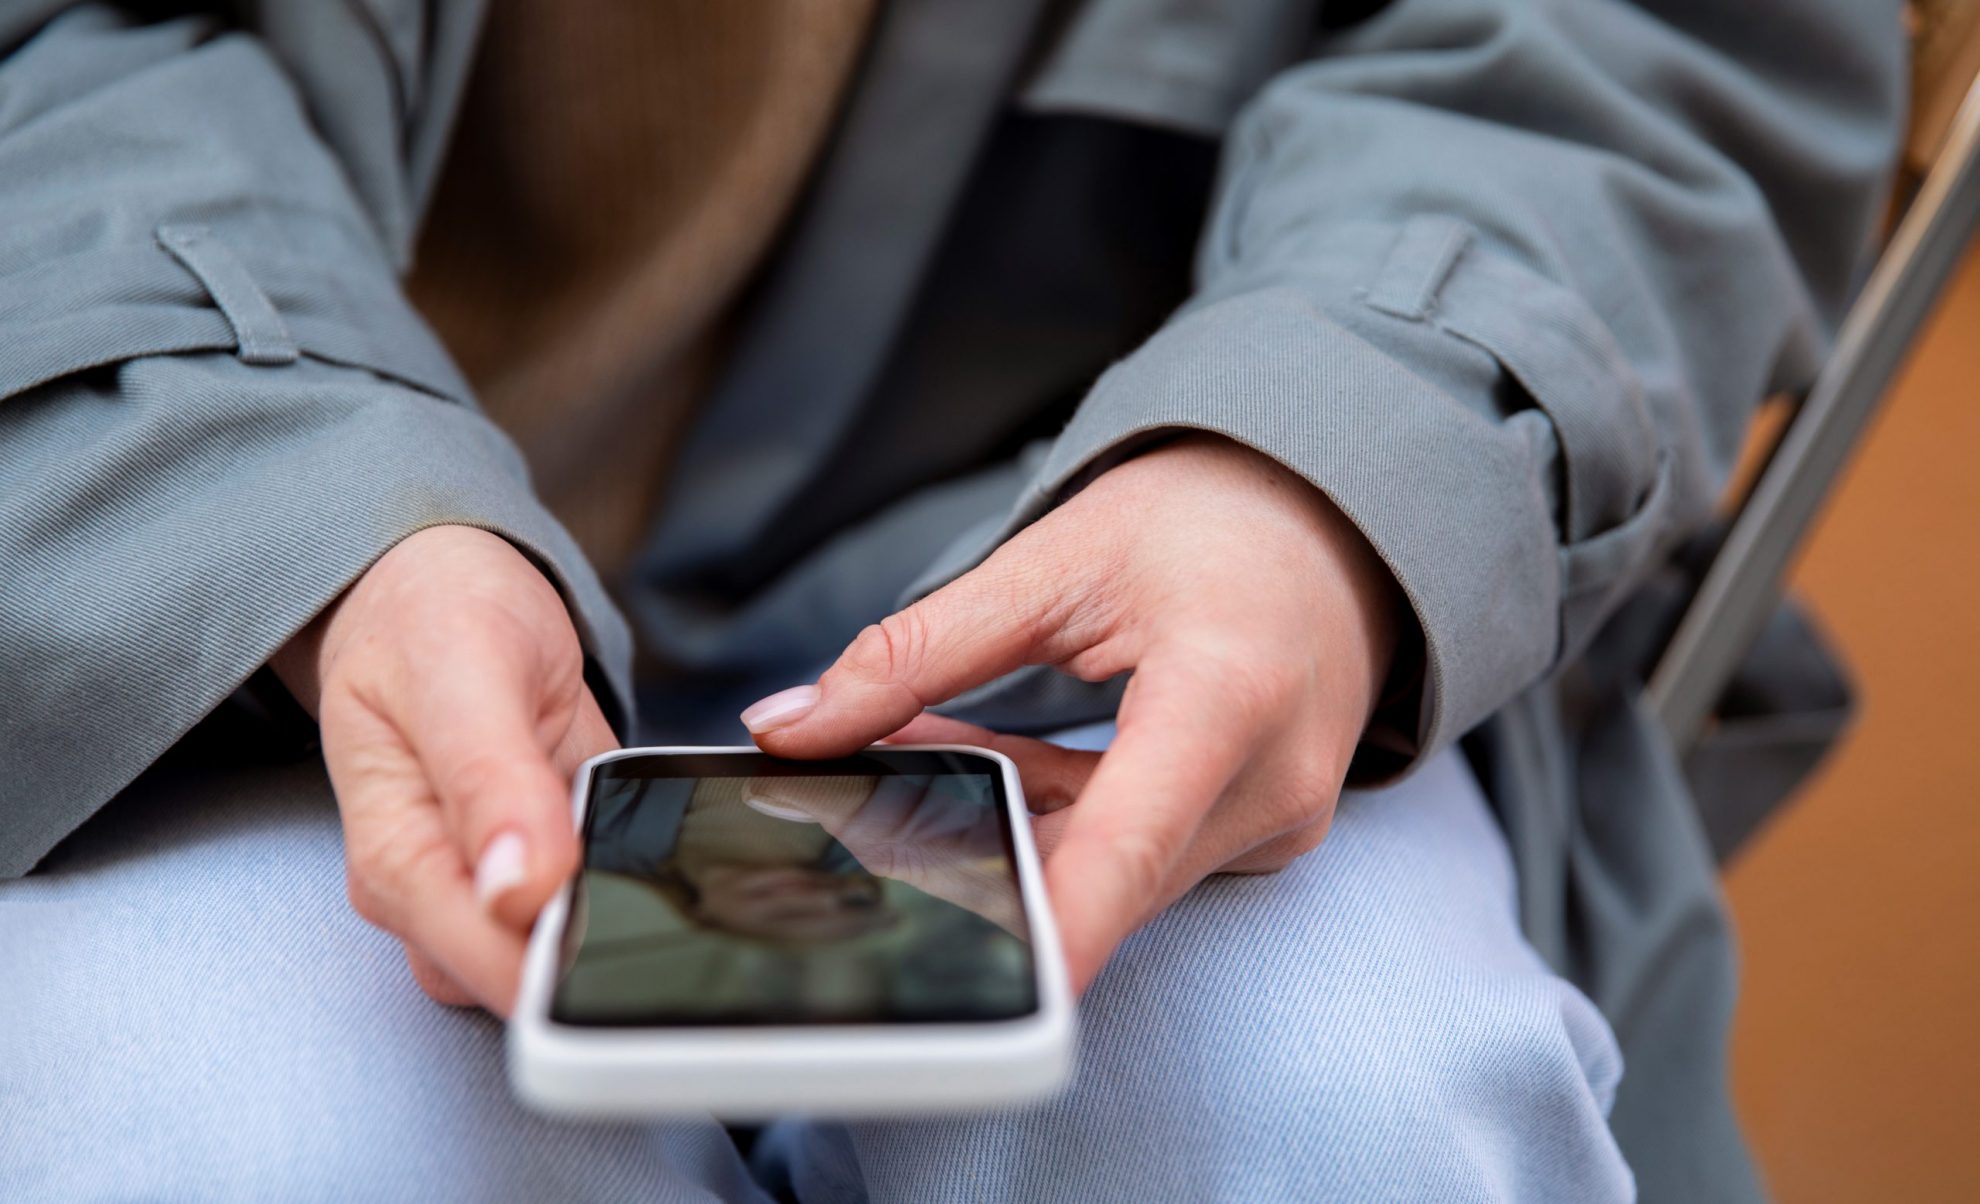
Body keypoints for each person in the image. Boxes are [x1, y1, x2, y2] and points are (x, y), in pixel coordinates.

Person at [0, 1, 1905, 1200]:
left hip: (1132, 549)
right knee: (253, 1150)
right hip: (221, 567)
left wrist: (1321, 466)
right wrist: (304, 519)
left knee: (1347, 1115)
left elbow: (1661, 54)